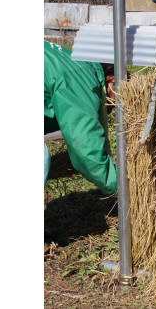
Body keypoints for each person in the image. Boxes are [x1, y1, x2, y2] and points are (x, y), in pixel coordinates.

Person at [44, 40, 118, 195]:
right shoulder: (81, 80)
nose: (115, 108)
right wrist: (120, 185)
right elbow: (84, 147)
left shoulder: (73, 62)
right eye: (118, 99)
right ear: (111, 81)